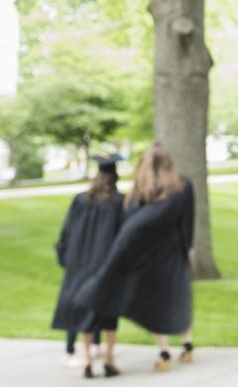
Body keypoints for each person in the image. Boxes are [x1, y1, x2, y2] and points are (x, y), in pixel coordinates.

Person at [74, 143, 195, 372]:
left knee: (157, 300)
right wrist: (188, 246)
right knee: (177, 296)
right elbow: (187, 219)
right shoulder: (182, 185)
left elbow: (131, 222)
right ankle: (187, 344)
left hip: (150, 252)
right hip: (173, 249)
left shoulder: (141, 189)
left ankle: (164, 351)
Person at [51, 154, 124, 379]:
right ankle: (109, 358)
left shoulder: (80, 200)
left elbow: (67, 232)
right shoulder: (120, 201)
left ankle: (87, 359)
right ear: (115, 176)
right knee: (109, 311)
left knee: (85, 311)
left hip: (81, 264)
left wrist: (66, 259)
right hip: (108, 265)